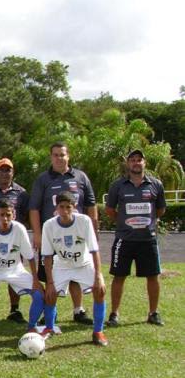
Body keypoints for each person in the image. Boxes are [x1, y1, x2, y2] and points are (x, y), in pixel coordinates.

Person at [29, 142, 98, 325]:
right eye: (56, 155)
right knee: (49, 274)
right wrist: (37, 234)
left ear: (69, 156)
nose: (59, 158)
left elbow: (91, 205)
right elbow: (34, 208)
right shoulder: (43, 179)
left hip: (77, 235)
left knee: (75, 269)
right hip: (51, 235)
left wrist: (94, 230)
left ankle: (78, 310)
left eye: (62, 154)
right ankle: (51, 312)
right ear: (51, 157)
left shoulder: (81, 177)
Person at [105, 149, 167, 326]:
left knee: (153, 276)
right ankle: (114, 314)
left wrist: (147, 222)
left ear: (144, 163)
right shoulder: (118, 185)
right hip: (124, 239)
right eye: (132, 160)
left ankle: (153, 313)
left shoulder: (155, 184)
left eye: (139, 160)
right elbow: (109, 210)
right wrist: (124, 221)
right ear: (128, 164)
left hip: (148, 239)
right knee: (119, 276)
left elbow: (160, 210)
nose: (136, 163)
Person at [0, 199, 45, 344]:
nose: (5, 218)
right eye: (2, 215)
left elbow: (30, 257)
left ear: (13, 215)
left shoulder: (19, 229)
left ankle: (31, 327)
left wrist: (36, 280)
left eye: (8, 215)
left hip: (15, 270)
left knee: (39, 294)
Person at [41, 192, 107, 345]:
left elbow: (94, 250)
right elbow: (47, 256)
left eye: (68, 207)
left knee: (100, 291)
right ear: (56, 207)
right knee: (50, 295)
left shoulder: (84, 221)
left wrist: (98, 276)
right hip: (61, 265)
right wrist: (49, 283)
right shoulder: (49, 225)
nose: (64, 211)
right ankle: (49, 328)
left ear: (74, 207)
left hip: (84, 264)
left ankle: (98, 331)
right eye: (61, 207)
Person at [0, 157, 30, 325]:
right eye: (1, 170)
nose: (4, 173)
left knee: (14, 272)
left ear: (12, 172)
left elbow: (26, 215)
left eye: (8, 170)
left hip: (14, 239)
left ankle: (14, 309)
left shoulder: (21, 193)